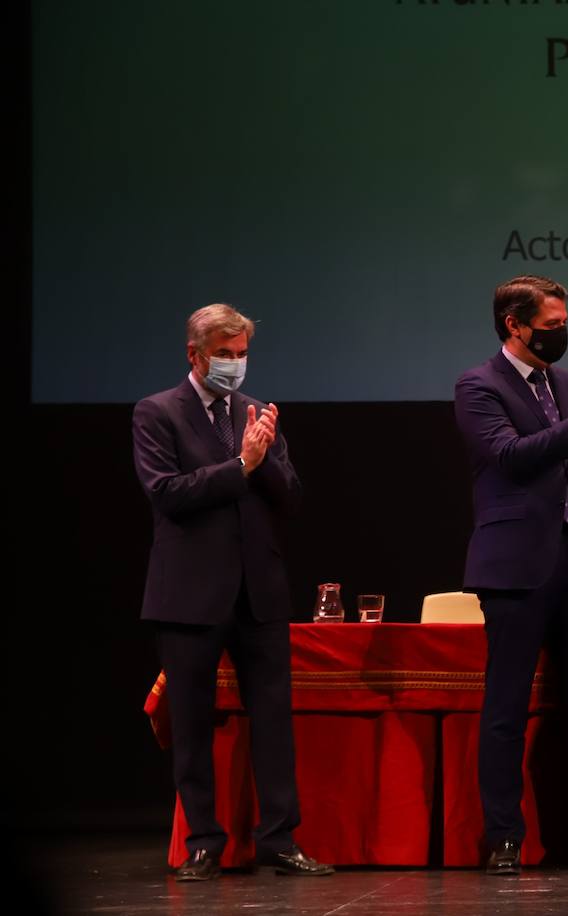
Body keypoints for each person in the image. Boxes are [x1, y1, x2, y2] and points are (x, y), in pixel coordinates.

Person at [133, 303, 332, 881]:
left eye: (242, 355)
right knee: (192, 725)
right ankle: (203, 842)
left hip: (259, 592)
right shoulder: (156, 413)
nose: (235, 365)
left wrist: (263, 459)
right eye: (225, 354)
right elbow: (167, 492)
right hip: (190, 594)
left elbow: (290, 497)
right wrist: (241, 464)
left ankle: (279, 839)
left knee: (273, 721)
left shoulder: (255, 412)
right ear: (194, 354)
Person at [453, 275, 568, 875]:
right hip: (514, 566)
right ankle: (504, 835)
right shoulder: (478, 385)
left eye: (565, 322)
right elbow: (510, 457)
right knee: (506, 708)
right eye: (551, 324)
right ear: (515, 323)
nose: (562, 333)